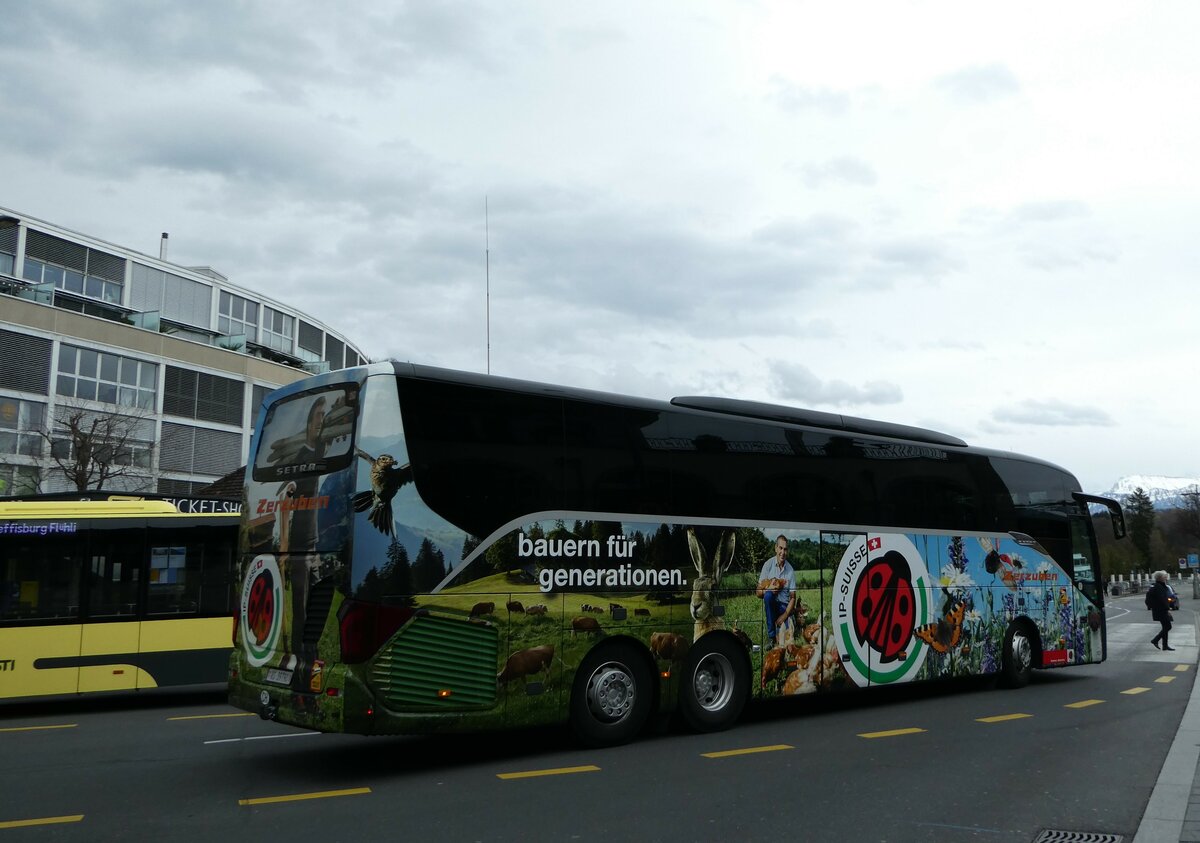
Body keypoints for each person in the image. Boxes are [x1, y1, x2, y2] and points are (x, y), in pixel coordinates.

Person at [756, 535, 797, 648]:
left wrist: (784, 615)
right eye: (780, 548)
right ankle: (771, 636)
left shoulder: (790, 570)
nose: (783, 552)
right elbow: (758, 592)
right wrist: (768, 589)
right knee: (768, 596)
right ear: (776, 548)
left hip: (784, 607)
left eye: (785, 549)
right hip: (772, 605)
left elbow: (793, 597)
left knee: (787, 638)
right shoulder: (767, 565)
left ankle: (786, 622)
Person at [1148, 570, 1176, 651]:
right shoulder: (1159, 587)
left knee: (1165, 627)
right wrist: (1167, 609)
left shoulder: (1160, 586)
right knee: (1168, 626)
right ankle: (1155, 640)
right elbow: (1162, 600)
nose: (1166, 578)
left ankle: (1165, 645)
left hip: (1160, 610)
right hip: (1161, 610)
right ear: (1159, 578)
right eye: (1164, 576)